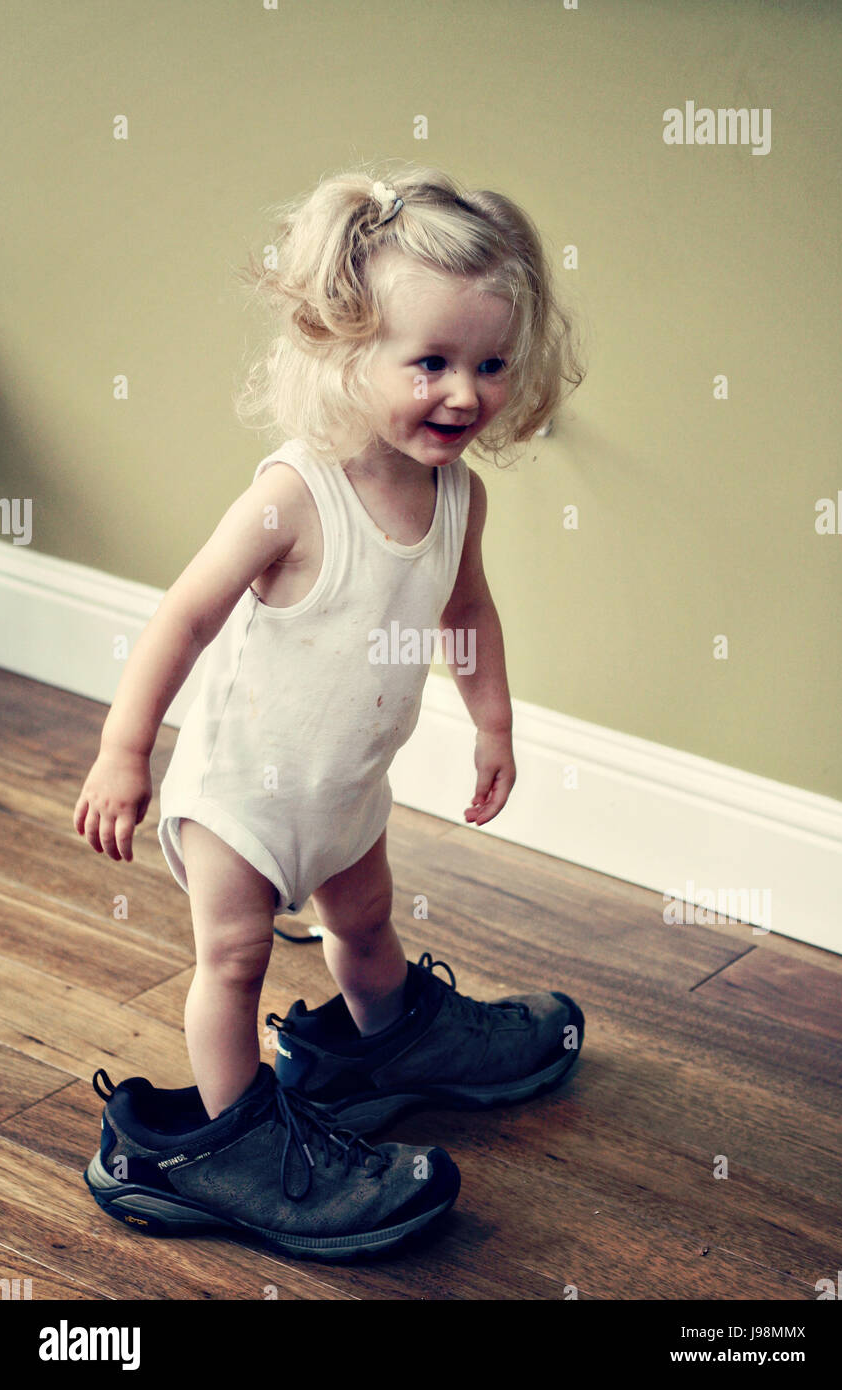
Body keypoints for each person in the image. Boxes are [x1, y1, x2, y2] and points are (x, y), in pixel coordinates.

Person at [73, 163, 587, 1261]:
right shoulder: (293, 495)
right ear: (348, 353)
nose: (464, 393)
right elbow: (182, 617)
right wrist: (126, 751)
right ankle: (228, 1139)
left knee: (363, 924)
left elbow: (468, 609)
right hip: (241, 799)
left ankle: (386, 1041)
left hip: (347, 791)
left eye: (491, 364)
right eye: (431, 363)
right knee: (233, 960)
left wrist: (492, 723)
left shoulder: (459, 494)